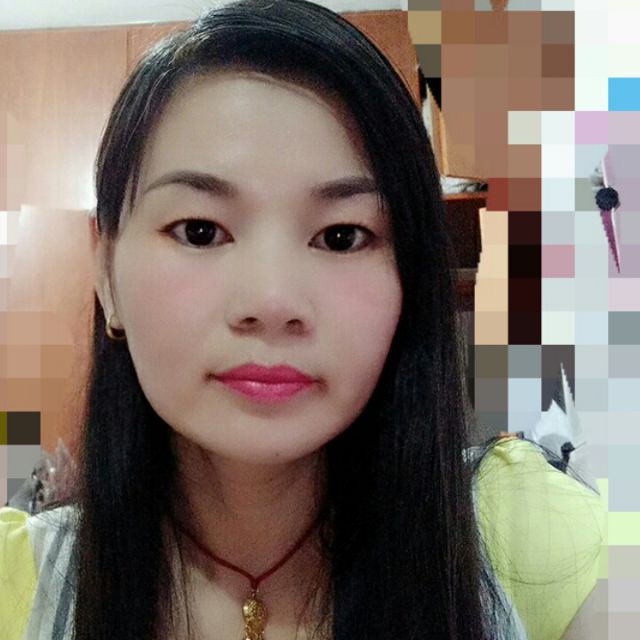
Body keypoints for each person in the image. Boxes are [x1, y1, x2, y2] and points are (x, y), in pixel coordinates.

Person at [0, 1, 605, 639]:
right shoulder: (18, 582)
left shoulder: (529, 538)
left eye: (342, 236)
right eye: (200, 230)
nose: (272, 301)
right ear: (105, 272)